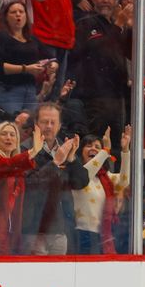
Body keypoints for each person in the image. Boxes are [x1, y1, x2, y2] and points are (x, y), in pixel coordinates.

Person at [69, 0, 133, 152]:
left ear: (116, 0)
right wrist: (119, 24)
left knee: (118, 149)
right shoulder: (85, 23)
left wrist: (130, 28)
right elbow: (101, 52)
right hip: (95, 97)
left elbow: (131, 54)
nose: (105, 0)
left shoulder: (114, 25)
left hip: (118, 97)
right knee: (95, 147)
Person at [20, 102, 89, 255]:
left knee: (58, 278)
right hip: (34, 228)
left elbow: (80, 182)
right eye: (45, 122)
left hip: (61, 228)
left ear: (59, 125)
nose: (49, 126)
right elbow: (31, 184)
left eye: (53, 122)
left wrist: (71, 159)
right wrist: (55, 162)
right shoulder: (25, 150)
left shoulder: (64, 148)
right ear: (36, 124)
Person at [0, 120, 43, 255]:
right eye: (4, 134)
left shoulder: (16, 166)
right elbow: (4, 165)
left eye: (12, 135)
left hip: (8, 229)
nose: (8, 137)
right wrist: (33, 151)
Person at [0, 1, 54, 115]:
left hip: (30, 89)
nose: (18, 15)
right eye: (13, 12)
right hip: (7, 89)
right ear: (6, 17)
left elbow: (51, 57)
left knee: (29, 126)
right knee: (10, 123)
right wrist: (26, 69)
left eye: (21, 12)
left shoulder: (32, 39)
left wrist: (52, 66)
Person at [71, 126, 132, 254]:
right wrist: (105, 151)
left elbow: (124, 181)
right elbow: (85, 175)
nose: (93, 148)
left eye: (97, 147)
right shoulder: (76, 174)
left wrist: (125, 151)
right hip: (79, 234)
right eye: (88, 146)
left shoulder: (106, 177)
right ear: (80, 150)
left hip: (101, 236)